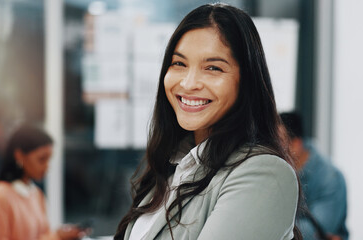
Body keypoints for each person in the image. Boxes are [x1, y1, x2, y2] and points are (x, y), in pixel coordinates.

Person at [114, 3, 301, 240]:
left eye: (213, 68)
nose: (189, 83)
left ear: (245, 82)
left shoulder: (264, 174)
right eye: (179, 63)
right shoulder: (174, 166)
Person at [0, 124, 89, 240]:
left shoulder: (36, 195)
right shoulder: (0, 196)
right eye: (42, 159)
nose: (47, 166)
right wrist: (55, 237)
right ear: (19, 155)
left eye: (49, 159)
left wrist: (60, 235)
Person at [279, 112, 348, 240]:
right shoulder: (278, 171)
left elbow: (315, 233)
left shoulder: (330, 178)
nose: (273, 149)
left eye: (279, 143)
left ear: (296, 144)